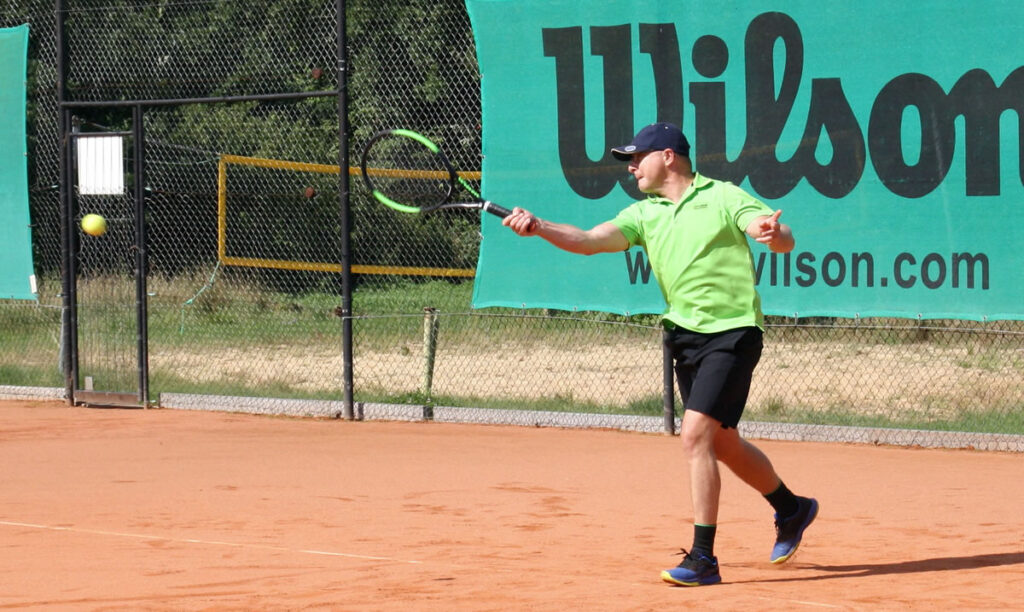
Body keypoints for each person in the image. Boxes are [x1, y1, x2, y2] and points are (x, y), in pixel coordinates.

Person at [502, 122, 818, 586]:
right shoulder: (643, 214)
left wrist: (775, 234)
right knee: (721, 443)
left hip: (732, 332)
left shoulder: (723, 196)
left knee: (694, 435)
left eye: (637, 158)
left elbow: (774, 231)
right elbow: (588, 241)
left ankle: (704, 559)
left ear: (668, 156)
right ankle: (791, 509)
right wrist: (540, 227)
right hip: (684, 337)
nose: (630, 168)